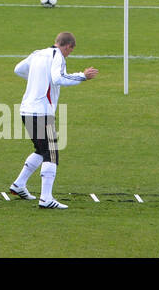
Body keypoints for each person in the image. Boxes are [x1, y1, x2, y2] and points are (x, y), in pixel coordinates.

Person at [8, 32, 98, 209]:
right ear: (68, 46)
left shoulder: (37, 53)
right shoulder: (57, 56)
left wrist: (37, 79)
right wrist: (82, 76)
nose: (68, 54)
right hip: (42, 112)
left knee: (41, 150)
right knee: (51, 154)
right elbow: (59, 78)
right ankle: (46, 198)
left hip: (26, 110)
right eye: (70, 51)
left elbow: (18, 69)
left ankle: (18, 185)